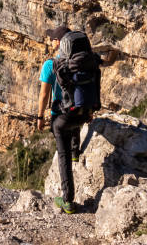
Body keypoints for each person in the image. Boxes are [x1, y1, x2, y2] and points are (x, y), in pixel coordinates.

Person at [37, 26, 92, 214]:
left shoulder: (50, 65)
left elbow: (44, 94)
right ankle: (76, 150)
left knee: (63, 155)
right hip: (83, 113)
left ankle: (67, 200)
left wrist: (39, 117)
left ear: (60, 42)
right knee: (73, 116)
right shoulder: (81, 63)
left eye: (53, 39)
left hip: (60, 117)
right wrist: (89, 112)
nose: (51, 42)